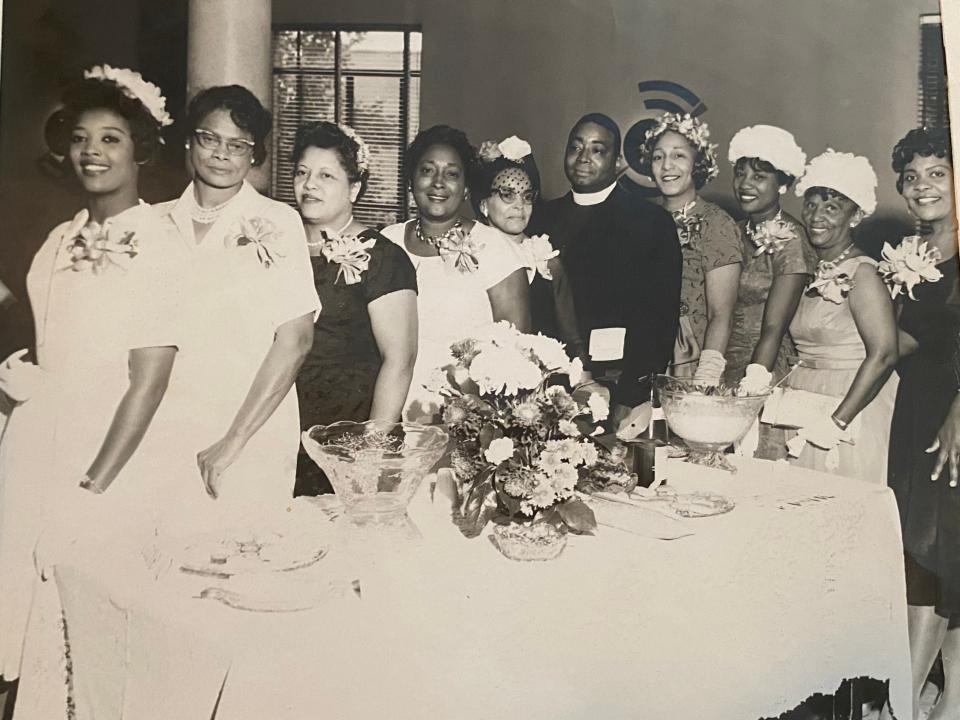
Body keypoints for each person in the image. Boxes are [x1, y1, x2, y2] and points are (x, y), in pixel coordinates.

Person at [0, 65, 181, 696]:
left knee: (93, 625)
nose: (91, 152)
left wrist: (90, 487)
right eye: (80, 137)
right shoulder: (59, 238)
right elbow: (53, 342)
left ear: (141, 149)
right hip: (38, 446)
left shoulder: (160, 240)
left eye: (110, 138)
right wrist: (20, 375)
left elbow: (149, 381)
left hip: (111, 457)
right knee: (26, 605)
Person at [156, 85, 319, 517]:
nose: (221, 155)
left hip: (249, 430)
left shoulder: (278, 223)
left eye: (238, 145)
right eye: (210, 139)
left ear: (254, 155)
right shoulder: (152, 222)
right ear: (190, 141)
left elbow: (296, 340)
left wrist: (233, 442)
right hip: (165, 426)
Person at [529, 113, 681, 428]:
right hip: (545, 386)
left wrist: (629, 396)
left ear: (618, 161)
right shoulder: (540, 218)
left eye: (598, 150)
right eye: (576, 147)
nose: (584, 158)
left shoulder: (650, 222)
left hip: (616, 387)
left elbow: (660, 320)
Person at [290, 121, 418, 495]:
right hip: (280, 427)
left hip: (349, 438)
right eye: (302, 172)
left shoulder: (384, 259)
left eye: (326, 175)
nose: (310, 184)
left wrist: (370, 454)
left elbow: (400, 361)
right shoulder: (277, 247)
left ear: (355, 189)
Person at [885, 128, 960, 720]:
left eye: (937, 172)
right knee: (930, 556)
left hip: (952, 418)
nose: (921, 187)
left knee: (936, 555)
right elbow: (904, 342)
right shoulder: (913, 252)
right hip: (915, 411)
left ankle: (908, 703)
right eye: (911, 177)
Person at [381, 125, 530, 422]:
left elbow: (518, 354)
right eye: (427, 171)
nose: (438, 183)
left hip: (465, 418)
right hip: (388, 409)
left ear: (465, 189)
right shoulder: (387, 242)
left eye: (451, 174)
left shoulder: (494, 249)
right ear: (411, 182)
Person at [776, 150, 898, 482]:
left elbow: (885, 354)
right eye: (812, 205)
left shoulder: (863, 273)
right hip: (805, 394)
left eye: (832, 208)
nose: (816, 216)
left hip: (850, 399)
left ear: (855, 217)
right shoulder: (807, 267)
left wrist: (838, 420)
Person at [724, 125, 816, 460]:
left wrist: (751, 390)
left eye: (759, 176)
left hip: (765, 367)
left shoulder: (791, 241)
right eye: (740, 173)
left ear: (783, 183)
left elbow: (775, 327)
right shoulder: (734, 231)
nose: (745, 184)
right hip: (727, 360)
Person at [638, 112, 741, 385]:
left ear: (698, 163)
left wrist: (705, 377)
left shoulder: (716, 224)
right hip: (644, 355)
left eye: (678, 156)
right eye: (658, 157)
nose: (666, 166)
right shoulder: (641, 220)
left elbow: (722, 314)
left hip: (691, 362)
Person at [473, 134, 585, 362]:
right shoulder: (467, 255)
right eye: (507, 194)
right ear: (483, 204)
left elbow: (572, 341)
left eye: (526, 196)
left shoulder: (546, 260)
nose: (519, 205)